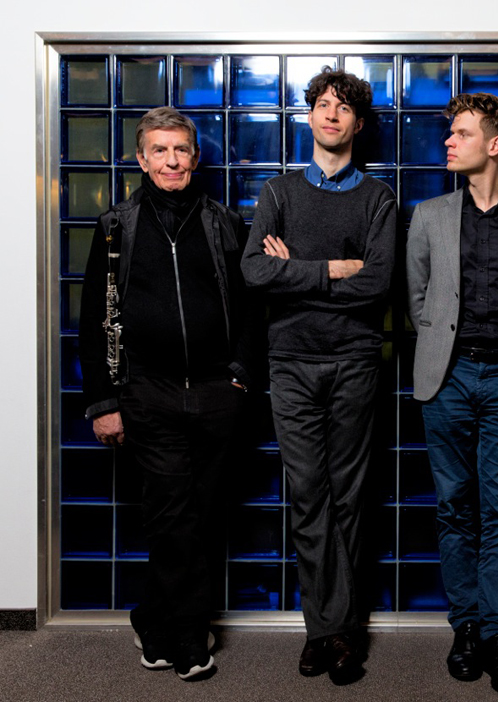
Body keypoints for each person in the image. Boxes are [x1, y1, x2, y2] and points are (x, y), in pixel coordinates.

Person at [79, 107, 260, 680]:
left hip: (216, 392)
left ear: (195, 157)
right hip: (147, 393)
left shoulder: (225, 223)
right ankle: (188, 638)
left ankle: (151, 618)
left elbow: (251, 309)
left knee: (199, 516)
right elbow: (94, 320)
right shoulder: (116, 226)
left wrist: (240, 375)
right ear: (142, 159)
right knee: (172, 516)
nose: (172, 160)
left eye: (180, 149)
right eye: (159, 150)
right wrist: (105, 403)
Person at [241, 67, 396, 685]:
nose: (331, 115)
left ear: (358, 124)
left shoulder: (378, 198)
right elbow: (255, 272)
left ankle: (341, 632)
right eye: (323, 105)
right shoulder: (278, 193)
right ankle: (325, 630)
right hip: (292, 363)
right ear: (309, 116)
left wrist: (297, 274)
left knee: (349, 496)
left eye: (343, 108)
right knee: (308, 495)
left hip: (355, 360)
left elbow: (378, 284)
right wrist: (334, 268)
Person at [406, 92, 498, 697]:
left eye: (462, 133)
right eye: (451, 133)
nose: (449, 141)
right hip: (445, 378)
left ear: (495, 145)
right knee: (454, 507)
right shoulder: (428, 215)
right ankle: (465, 628)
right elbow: (417, 299)